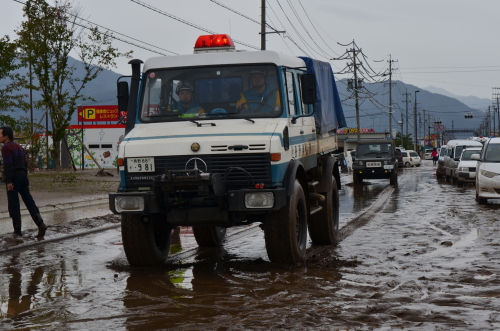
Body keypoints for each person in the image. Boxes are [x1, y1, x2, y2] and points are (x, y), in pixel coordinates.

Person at [0, 126, 47, 237]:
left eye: (0, 134)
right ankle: (41, 224)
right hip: (23, 176)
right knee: (29, 201)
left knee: (14, 204)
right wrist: (24, 176)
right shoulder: (19, 147)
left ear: (6, 136)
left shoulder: (6, 147)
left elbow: (8, 165)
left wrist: (9, 181)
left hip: (14, 177)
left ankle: (17, 232)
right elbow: (25, 164)